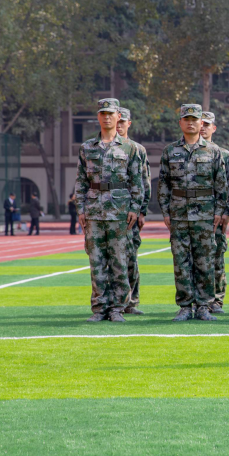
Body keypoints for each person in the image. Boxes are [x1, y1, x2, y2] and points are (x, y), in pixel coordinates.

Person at [74, 98, 144, 323]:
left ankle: (117, 308)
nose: (106, 117)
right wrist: (81, 209)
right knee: (96, 261)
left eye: (110, 114)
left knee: (119, 261)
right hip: (94, 212)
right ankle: (100, 308)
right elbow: (81, 181)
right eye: (102, 113)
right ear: (98, 117)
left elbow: (137, 181)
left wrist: (135, 208)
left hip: (120, 213)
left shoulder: (129, 148)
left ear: (118, 117)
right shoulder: (87, 147)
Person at [158, 104, 229, 322]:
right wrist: (165, 211)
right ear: (180, 123)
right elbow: (164, 184)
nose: (190, 122)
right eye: (186, 119)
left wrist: (219, 211)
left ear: (201, 123)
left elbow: (221, 185)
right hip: (179, 214)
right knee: (181, 262)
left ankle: (204, 306)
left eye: (194, 119)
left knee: (205, 261)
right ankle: (185, 306)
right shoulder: (170, 151)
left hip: (205, 215)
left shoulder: (214, 151)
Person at [200, 111, 229, 313]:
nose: (203, 127)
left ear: (214, 128)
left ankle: (217, 300)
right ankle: (198, 301)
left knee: (217, 257)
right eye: (201, 123)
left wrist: (226, 212)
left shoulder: (224, 155)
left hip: (216, 215)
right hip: (194, 213)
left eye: (208, 124)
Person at [117, 107, 151, 315]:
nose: (119, 125)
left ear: (129, 124)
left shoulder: (137, 149)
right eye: (117, 121)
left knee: (130, 258)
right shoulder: (99, 148)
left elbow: (144, 183)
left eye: (123, 122)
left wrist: (142, 210)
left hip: (131, 212)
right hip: (107, 212)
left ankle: (131, 301)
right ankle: (113, 301)